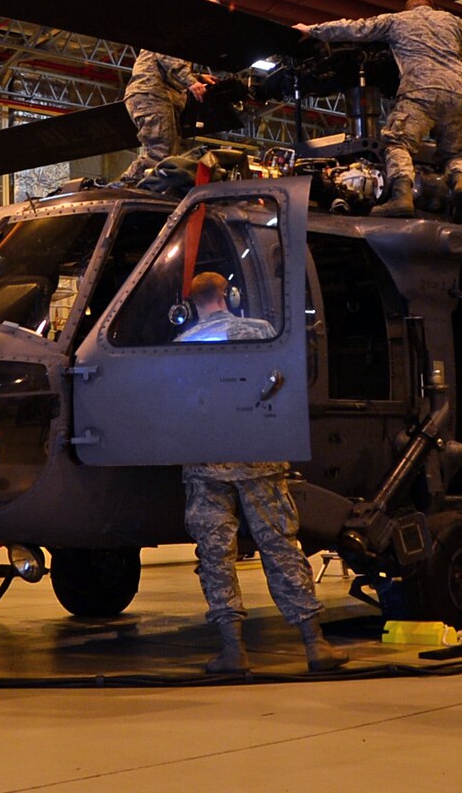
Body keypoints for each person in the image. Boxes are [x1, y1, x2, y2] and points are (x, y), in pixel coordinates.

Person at [176, 271, 346, 674]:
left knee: (216, 555)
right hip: (259, 460)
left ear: (193, 304)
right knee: (280, 547)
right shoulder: (262, 331)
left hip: (206, 464)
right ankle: (314, 645)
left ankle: (233, 651)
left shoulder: (183, 344)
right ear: (228, 295)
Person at [295, 0, 462, 218]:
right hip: (459, 94)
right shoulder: (455, 22)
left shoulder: (397, 20)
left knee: (397, 142)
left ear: (408, 9)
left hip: (419, 92)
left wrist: (312, 30)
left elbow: (357, 28)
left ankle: (401, 198)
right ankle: (461, 190)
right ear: (432, 7)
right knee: (456, 152)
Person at [119, 0, 219, 182]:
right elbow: (166, 55)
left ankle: (136, 187)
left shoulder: (183, 30)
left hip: (158, 94)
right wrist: (191, 82)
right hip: (152, 94)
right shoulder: (175, 24)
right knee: (159, 151)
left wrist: (196, 77)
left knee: (167, 154)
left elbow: (164, 63)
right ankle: (123, 186)